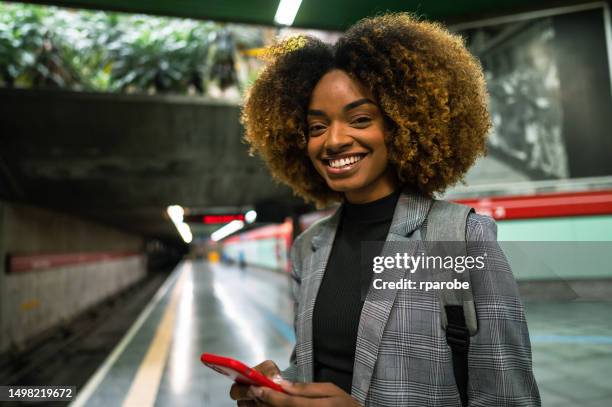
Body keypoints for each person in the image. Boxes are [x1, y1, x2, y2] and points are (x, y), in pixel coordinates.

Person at [230, 13, 540, 406]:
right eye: (316, 127)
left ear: (401, 125)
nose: (334, 141)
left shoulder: (459, 237)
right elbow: (322, 369)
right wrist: (279, 386)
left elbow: (509, 400)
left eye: (360, 119)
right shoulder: (309, 248)